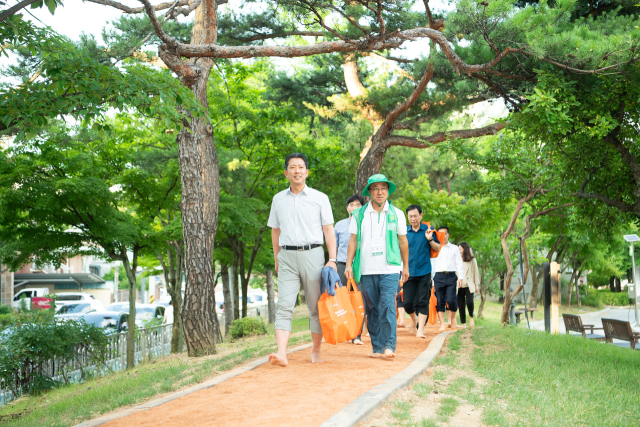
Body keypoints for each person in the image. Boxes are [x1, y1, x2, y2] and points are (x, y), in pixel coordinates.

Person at [267, 153, 337, 367]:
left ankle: (316, 351)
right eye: (292, 167)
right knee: (284, 306)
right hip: (286, 256)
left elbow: (328, 230)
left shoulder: (320, 198)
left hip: (313, 254)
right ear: (286, 172)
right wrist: (276, 257)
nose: (296, 171)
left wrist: (332, 259)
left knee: (315, 307)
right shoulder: (278, 199)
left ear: (307, 171)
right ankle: (281, 353)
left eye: (300, 167)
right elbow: (275, 231)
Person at [345, 174, 409, 359]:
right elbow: (353, 242)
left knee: (388, 305)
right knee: (372, 308)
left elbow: (403, 242)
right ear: (370, 192)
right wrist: (348, 264)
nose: (380, 192)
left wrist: (405, 267)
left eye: (383, 188)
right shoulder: (359, 214)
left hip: (390, 268)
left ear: (388, 191)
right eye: (376, 188)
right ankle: (377, 346)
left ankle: (389, 345)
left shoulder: (397, 214)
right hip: (366, 269)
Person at [405, 205, 441, 338]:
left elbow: (437, 248)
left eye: (415, 215)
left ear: (421, 215)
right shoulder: (404, 231)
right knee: (407, 303)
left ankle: (420, 329)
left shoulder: (429, 230)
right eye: (410, 216)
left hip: (424, 271)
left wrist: (430, 239)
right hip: (408, 272)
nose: (413, 219)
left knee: (423, 301)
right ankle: (414, 320)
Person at [335, 194, 366, 345]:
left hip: (359, 266)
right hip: (341, 265)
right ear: (347, 208)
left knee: (359, 300)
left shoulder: (366, 223)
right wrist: (333, 264)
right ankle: (346, 332)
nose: (354, 208)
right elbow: (334, 246)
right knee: (343, 300)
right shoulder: (339, 225)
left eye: (358, 205)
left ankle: (357, 335)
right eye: (351, 205)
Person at [432, 226, 463, 331]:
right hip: (438, 276)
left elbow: (459, 263)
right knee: (440, 301)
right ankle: (442, 324)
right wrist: (432, 280)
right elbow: (432, 264)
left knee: (451, 300)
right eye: (440, 234)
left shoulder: (454, 248)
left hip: (451, 276)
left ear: (448, 235)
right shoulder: (435, 248)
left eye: (445, 233)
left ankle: (453, 318)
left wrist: (460, 277)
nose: (443, 236)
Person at [458, 242, 479, 328]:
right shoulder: (457, 259)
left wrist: (476, 285)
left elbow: (476, 273)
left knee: (470, 302)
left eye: (460, 249)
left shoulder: (472, 259)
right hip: (459, 285)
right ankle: (463, 323)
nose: (459, 251)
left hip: (469, 284)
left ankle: (471, 316)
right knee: (461, 304)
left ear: (465, 249)